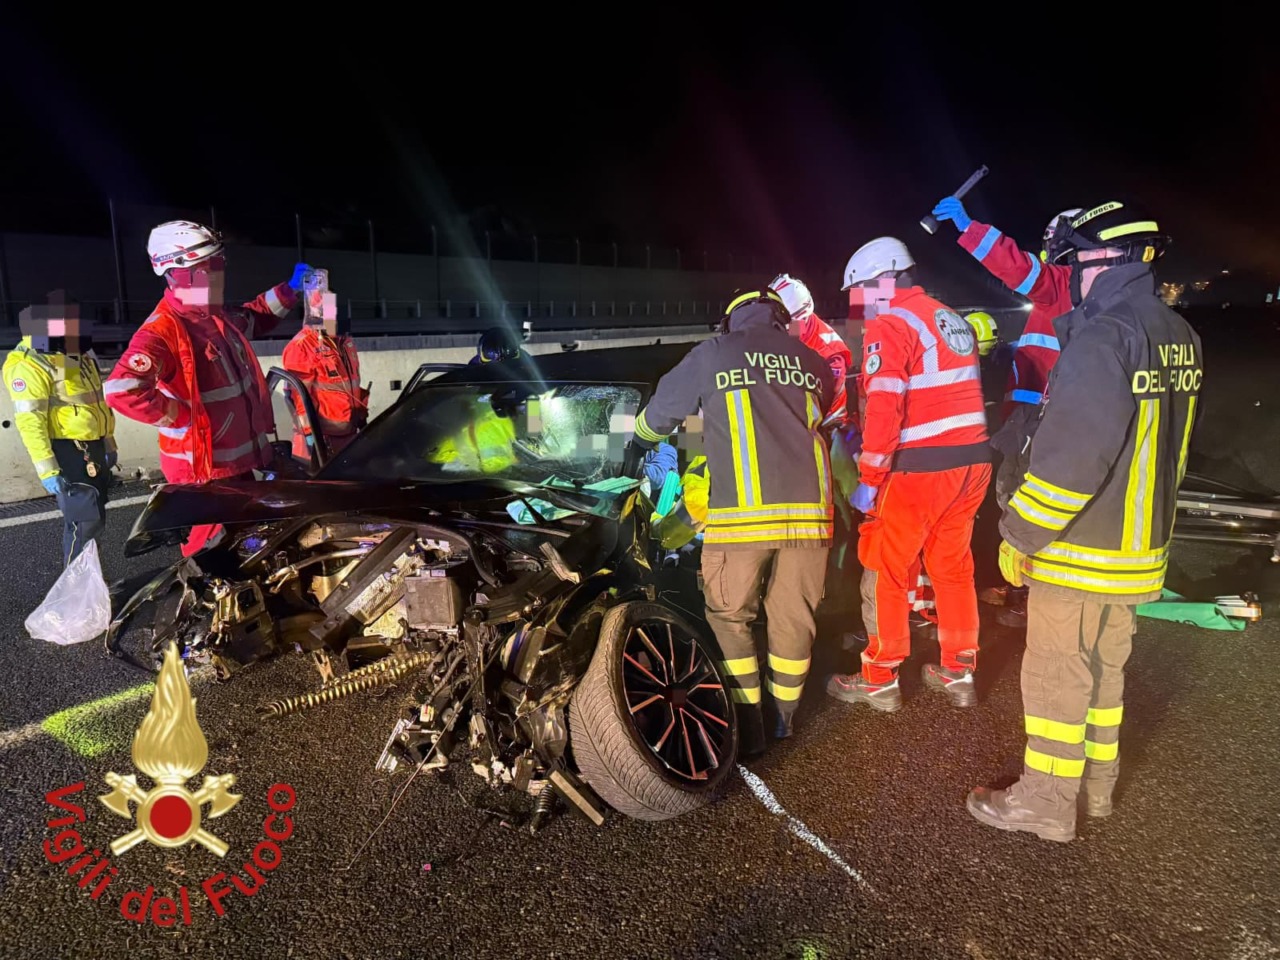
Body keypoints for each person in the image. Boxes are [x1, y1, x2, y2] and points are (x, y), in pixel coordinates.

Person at [967, 200, 1201, 842]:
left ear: (1099, 259)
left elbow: (1073, 460)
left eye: (1068, 261)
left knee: (1054, 675)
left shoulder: (1103, 337)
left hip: (1079, 549)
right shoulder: (1178, 335)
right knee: (1104, 671)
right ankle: (1095, 788)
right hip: (1137, 548)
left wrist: (1019, 536)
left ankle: (1046, 801)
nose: (1062, 275)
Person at [628, 288, 834, 752]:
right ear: (782, 320)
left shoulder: (714, 353)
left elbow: (660, 415)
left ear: (730, 322)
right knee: (793, 618)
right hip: (813, 516)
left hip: (744, 517)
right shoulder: (812, 361)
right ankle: (783, 717)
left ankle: (747, 721)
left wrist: (637, 440)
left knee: (729, 614)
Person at [825, 237, 991, 712]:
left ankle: (879, 676)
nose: (858, 305)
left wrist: (869, 481)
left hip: (919, 468)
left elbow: (884, 406)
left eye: (859, 292)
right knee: (954, 570)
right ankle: (959, 671)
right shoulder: (951, 318)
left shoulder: (890, 322)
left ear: (886, 279)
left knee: (886, 570)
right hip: (971, 464)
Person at [104, 220, 308, 556]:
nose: (217, 275)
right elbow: (122, 389)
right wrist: (184, 416)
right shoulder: (164, 330)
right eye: (207, 268)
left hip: (238, 469)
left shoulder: (216, 318)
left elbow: (256, 317)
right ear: (178, 272)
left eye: (218, 265)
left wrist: (291, 289)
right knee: (210, 562)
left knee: (249, 553)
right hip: (204, 477)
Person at [932, 198, 1083, 620]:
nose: (1046, 249)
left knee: (1022, 500)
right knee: (1023, 501)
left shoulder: (1063, 282)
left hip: (1036, 419)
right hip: (1034, 416)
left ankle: (1034, 593)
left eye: (1052, 242)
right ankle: (1022, 587)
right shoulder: (1077, 293)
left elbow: (1017, 268)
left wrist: (969, 228)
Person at [3, 291, 116, 565]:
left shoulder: (71, 354)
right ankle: (76, 598)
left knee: (95, 521)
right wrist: (48, 468)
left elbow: (95, 404)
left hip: (93, 448)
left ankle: (93, 587)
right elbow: (31, 421)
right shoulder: (30, 364)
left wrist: (108, 444)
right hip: (68, 452)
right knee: (84, 524)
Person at [281, 268, 368, 459]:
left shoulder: (344, 342)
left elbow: (349, 384)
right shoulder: (302, 347)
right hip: (322, 443)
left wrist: (360, 413)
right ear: (315, 310)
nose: (333, 312)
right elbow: (299, 399)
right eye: (328, 307)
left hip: (349, 435)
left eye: (334, 306)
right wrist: (311, 438)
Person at [768, 273, 853, 427]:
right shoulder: (794, 328)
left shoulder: (830, 355)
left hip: (824, 427)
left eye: (783, 326)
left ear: (801, 319)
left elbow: (831, 410)